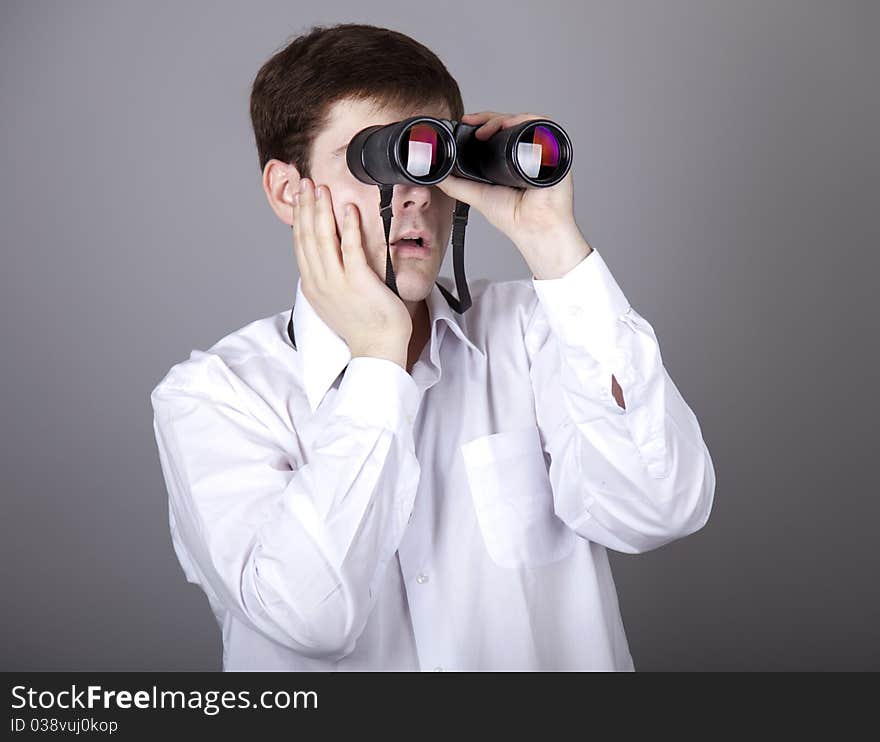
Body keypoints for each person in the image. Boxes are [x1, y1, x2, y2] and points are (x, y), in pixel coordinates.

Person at [150, 22, 716, 671]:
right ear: (288, 190)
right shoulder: (216, 398)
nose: (417, 193)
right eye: (378, 159)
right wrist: (376, 360)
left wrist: (555, 243)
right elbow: (308, 620)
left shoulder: (533, 332)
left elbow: (659, 507)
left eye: (433, 159)